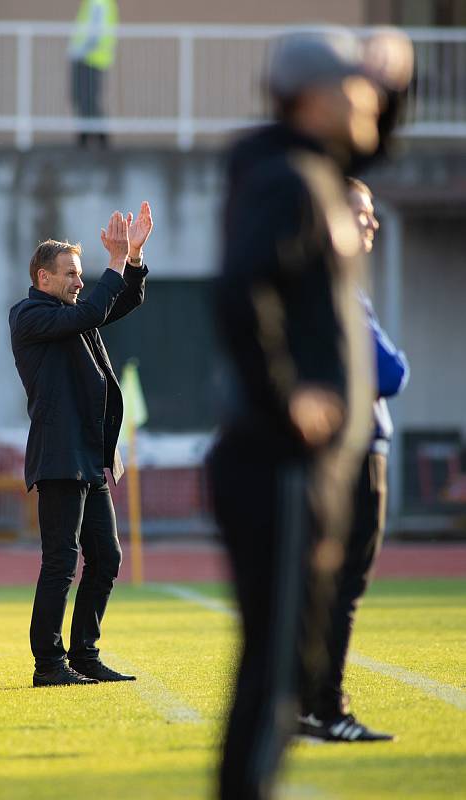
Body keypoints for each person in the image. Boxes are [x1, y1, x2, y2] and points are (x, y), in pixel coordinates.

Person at [209, 31, 383, 800]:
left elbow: (368, 147)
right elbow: (238, 290)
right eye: (353, 88)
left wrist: (396, 80)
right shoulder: (288, 178)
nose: (367, 99)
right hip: (279, 464)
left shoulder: (307, 168)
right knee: (274, 673)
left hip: (300, 467)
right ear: (313, 98)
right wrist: (286, 397)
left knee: (287, 667)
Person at [9, 201, 153, 687]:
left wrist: (131, 260)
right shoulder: (29, 315)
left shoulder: (74, 313)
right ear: (42, 277)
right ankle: (48, 664)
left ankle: (84, 655)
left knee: (106, 558)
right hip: (58, 457)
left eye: (80, 272)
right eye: (70, 272)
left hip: (88, 458)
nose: (77, 280)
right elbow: (96, 306)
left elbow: (119, 303)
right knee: (61, 562)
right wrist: (114, 263)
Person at [298, 177, 409, 741]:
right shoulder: (334, 281)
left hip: (332, 451)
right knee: (343, 587)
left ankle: (304, 703)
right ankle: (326, 708)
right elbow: (392, 373)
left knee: (323, 583)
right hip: (358, 450)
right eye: (363, 213)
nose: (372, 223)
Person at [69, 0, 119, 148]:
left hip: (90, 58)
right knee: (83, 99)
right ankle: (89, 138)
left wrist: (79, 52)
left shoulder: (98, 3)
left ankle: (93, 140)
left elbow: (95, 33)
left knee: (87, 99)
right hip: (89, 58)